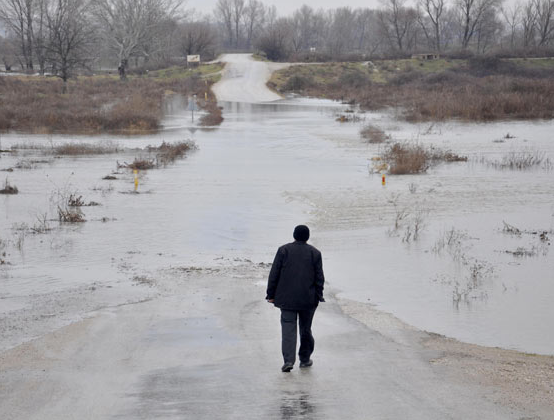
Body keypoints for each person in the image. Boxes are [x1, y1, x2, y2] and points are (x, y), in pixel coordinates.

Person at [266, 225, 325, 372]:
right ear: (308, 237)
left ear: (294, 235)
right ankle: (304, 359)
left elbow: (274, 274)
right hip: (308, 299)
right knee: (306, 329)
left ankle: (288, 361)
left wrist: (271, 294)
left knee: (288, 329)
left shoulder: (283, 250)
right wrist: (319, 294)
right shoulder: (315, 253)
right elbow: (319, 278)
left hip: (287, 299)